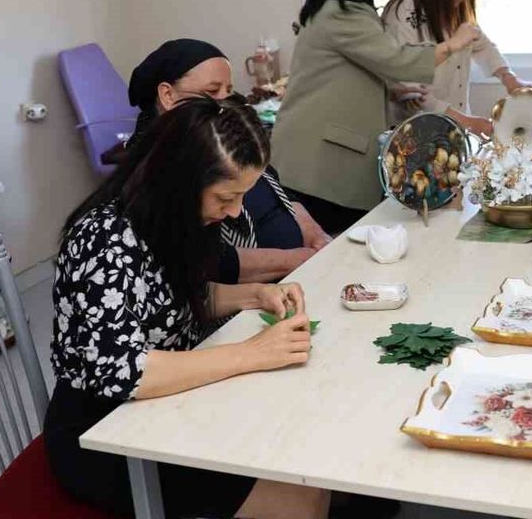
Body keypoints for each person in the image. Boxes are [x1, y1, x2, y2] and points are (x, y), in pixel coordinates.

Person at [45, 97, 327, 518]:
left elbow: (172, 301)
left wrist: (256, 295)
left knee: (300, 445)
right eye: (226, 197)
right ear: (181, 181)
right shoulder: (105, 241)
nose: (235, 212)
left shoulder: (170, 219)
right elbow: (125, 371)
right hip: (105, 432)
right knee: (300, 496)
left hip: (167, 404)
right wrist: (253, 353)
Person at [273, 0, 477, 235]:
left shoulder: (351, 10)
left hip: (326, 156)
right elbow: (397, 60)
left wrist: (393, 92)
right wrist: (452, 45)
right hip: (318, 162)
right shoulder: (342, 12)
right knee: (333, 251)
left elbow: (360, 71)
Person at [126, 39, 331, 284]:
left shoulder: (230, 139)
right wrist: (296, 260)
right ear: (168, 95)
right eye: (212, 92)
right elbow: (205, 260)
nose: (225, 102)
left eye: (228, 91)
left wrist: (315, 235)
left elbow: (278, 189)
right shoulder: (160, 168)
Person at [382, 0, 532, 136]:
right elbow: (409, 90)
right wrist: (467, 122)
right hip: (416, 133)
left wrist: (509, 78)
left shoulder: (453, 8)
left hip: (454, 128)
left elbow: (482, 44)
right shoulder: (403, 14)